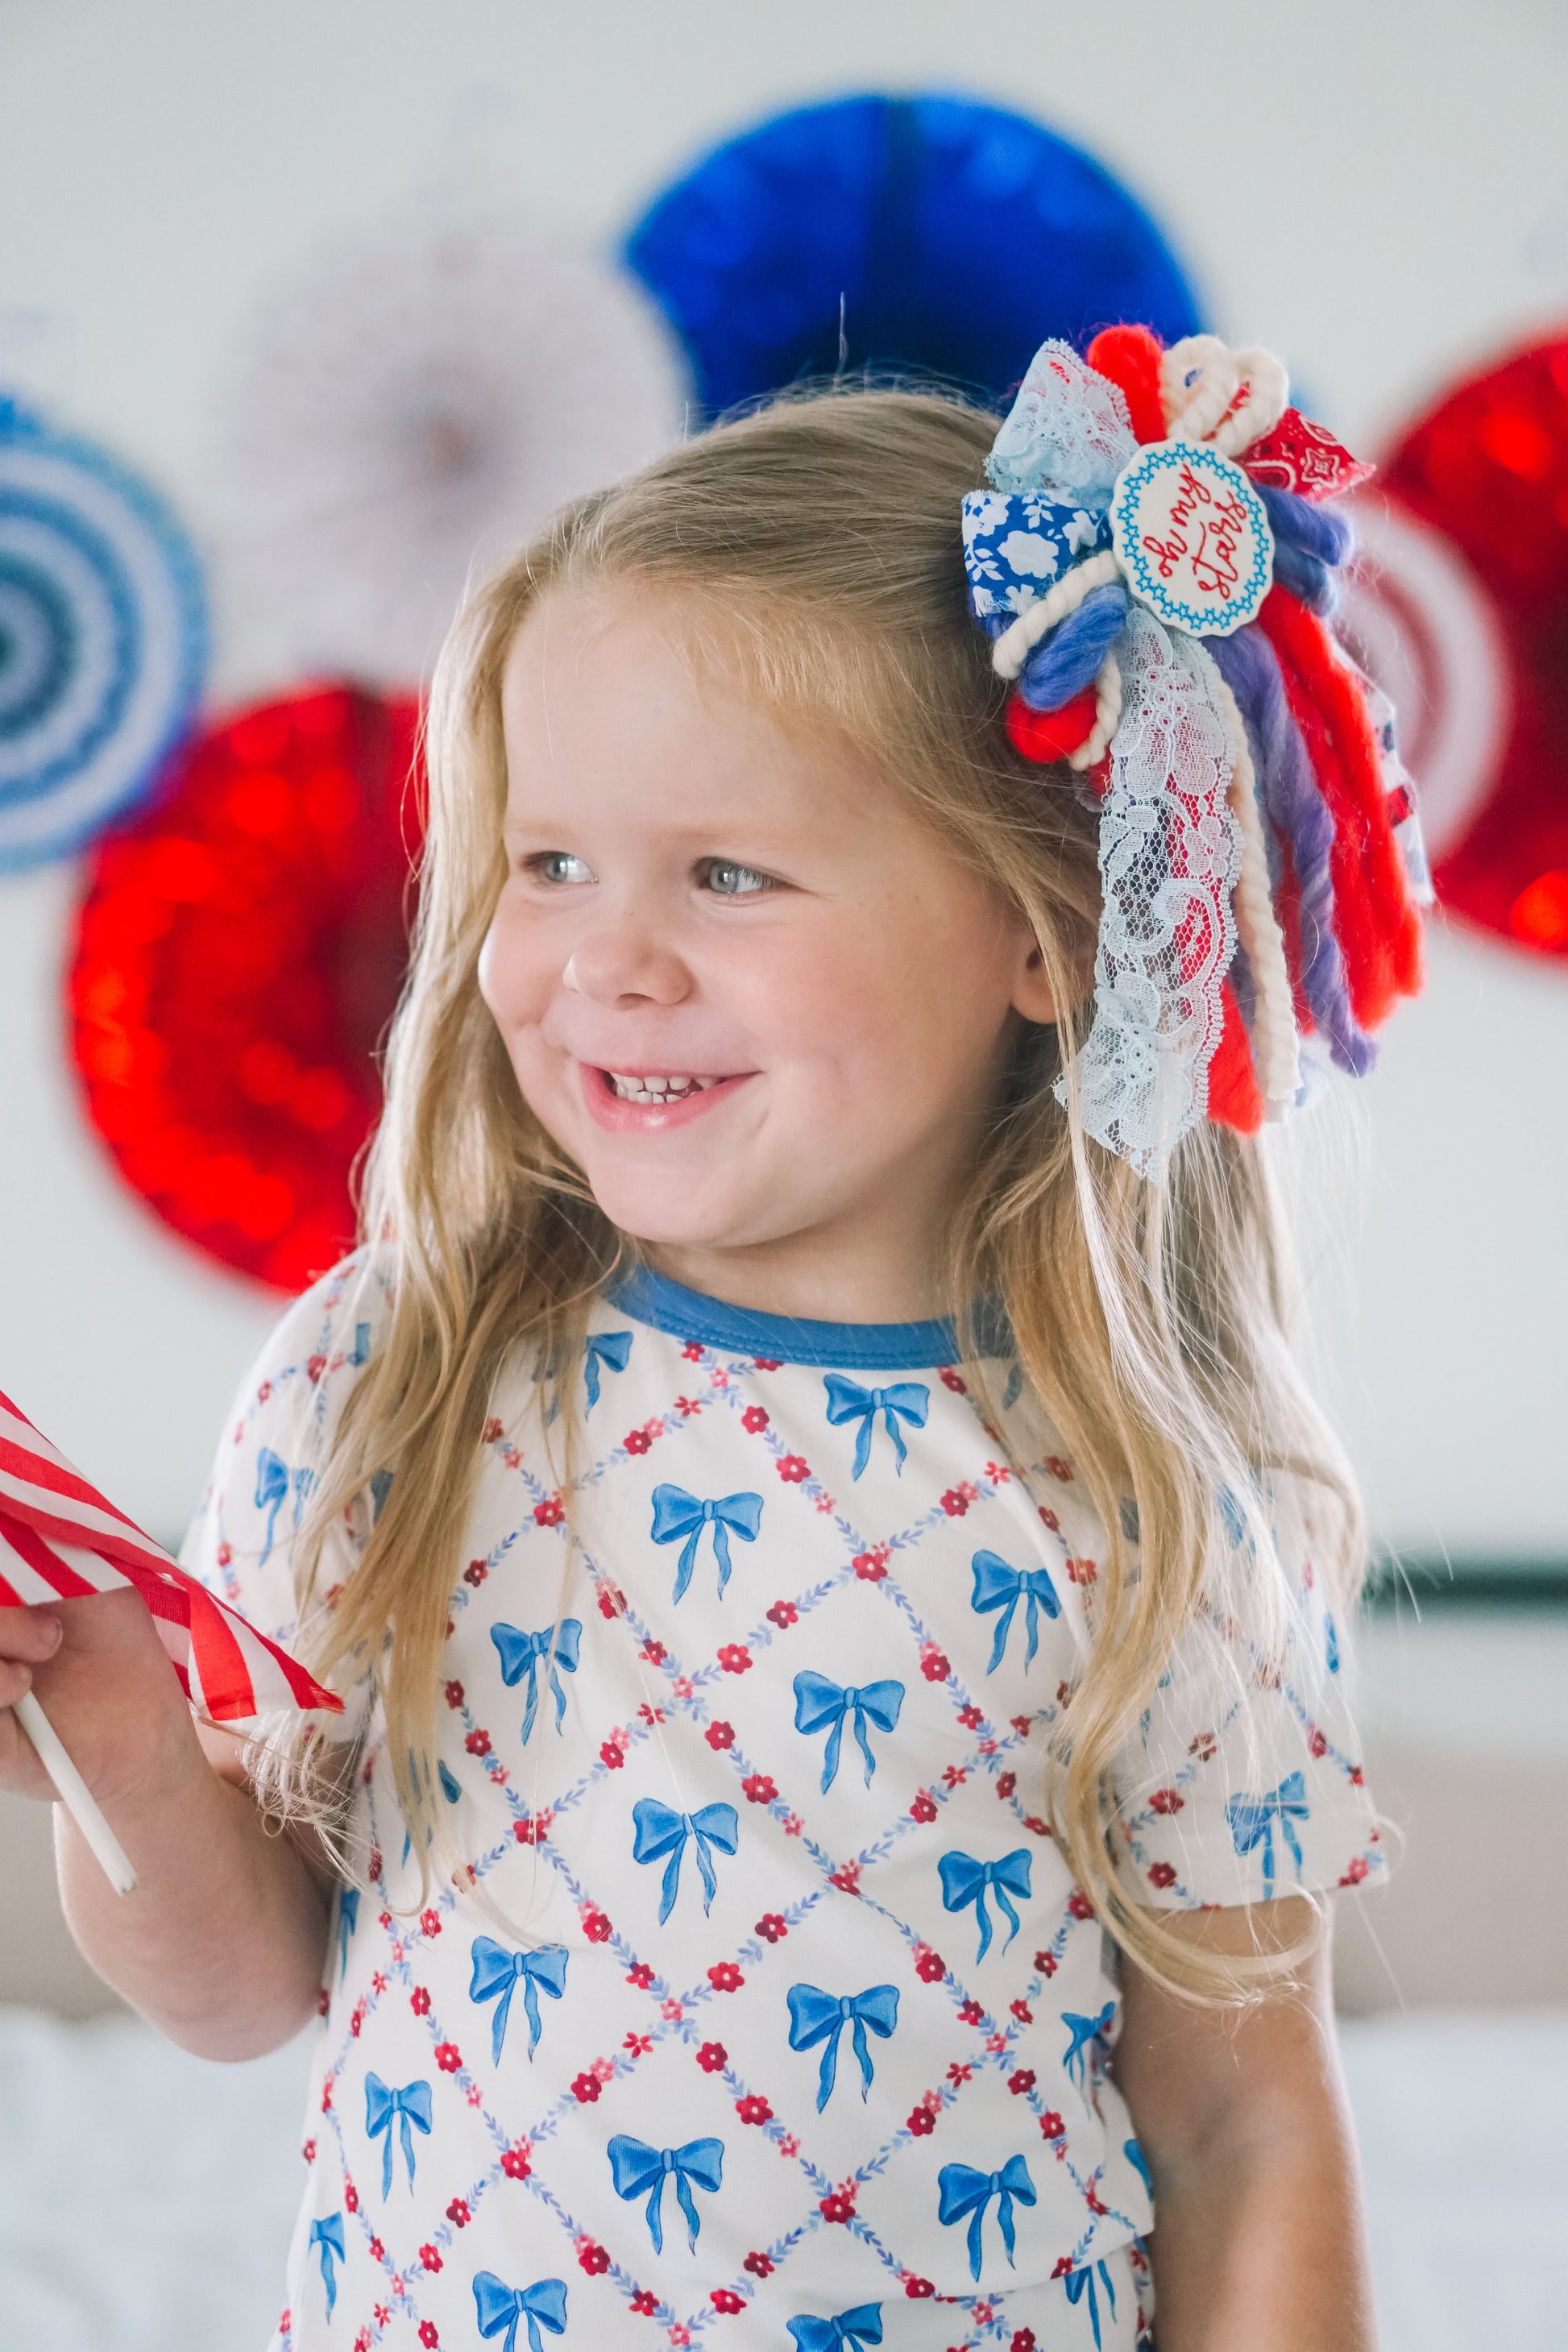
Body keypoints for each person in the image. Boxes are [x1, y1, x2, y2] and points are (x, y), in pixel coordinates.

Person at [2, 329, 1425, 2350]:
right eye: (550, 861)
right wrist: (133, 1752)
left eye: (729, 873)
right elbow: (244, 1991)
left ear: (1038, 931)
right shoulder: (392, 1382)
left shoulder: (1154, 1501)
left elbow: (1239, 2132)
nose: (609, 957)